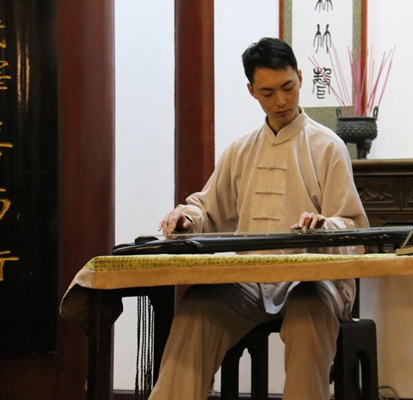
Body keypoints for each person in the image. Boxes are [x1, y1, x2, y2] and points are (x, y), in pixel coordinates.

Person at [149, 37, 368, 400]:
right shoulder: (240, 150)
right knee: (197, 307)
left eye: (288, 87)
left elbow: (353, 226)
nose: (281, 100)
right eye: (268, 92)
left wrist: (324, 225)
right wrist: (186, 218)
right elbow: (208, 210)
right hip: (250, 278)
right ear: (251, 91)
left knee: (309, 310)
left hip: (315, 278)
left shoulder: (328, 146)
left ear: (300, 77)